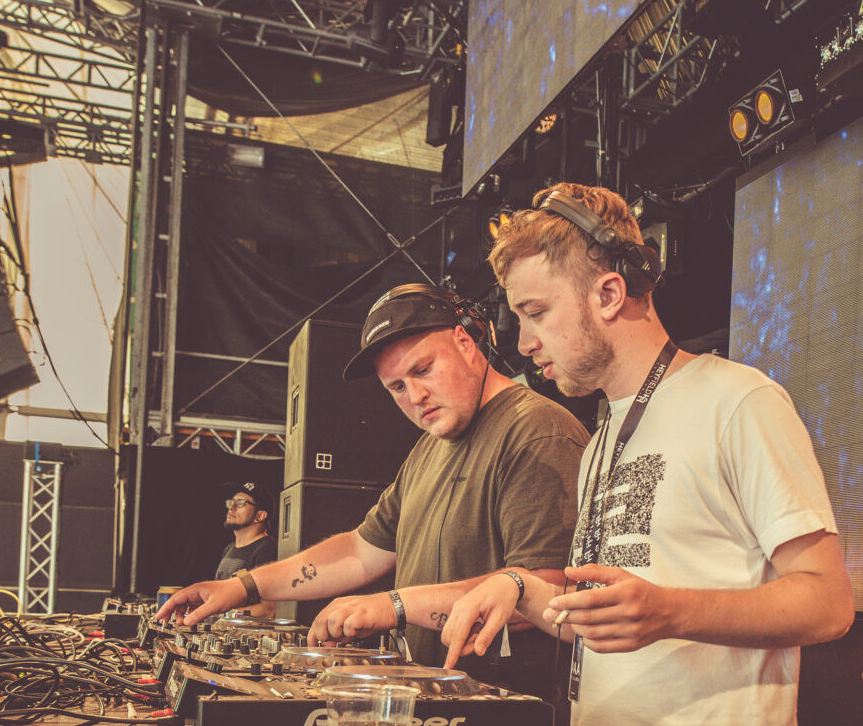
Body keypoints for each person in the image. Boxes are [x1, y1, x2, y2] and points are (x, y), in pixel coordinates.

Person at [440, 185, 854, 726]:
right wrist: (520, 590)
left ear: (608, 294)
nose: (523, 342)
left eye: (535, 312)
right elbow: (612, 615)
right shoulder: (603, 435)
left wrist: (669, 611)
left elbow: (828, 602)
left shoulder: (739, 401)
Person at [157, 282, 588, 696]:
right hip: (438, 710)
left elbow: (541, 595)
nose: (415, 395)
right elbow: (361, 550)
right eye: (396, 387)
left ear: (464, 342)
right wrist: (241, 587)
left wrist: (393, 606)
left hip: (509, 721)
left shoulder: (537, 431)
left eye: (423, 369)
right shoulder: (428, 449)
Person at [213, 479, 278, 620]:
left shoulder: (267, 549)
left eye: (241, 503)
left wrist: (221, 615)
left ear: (260, 515)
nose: (231, 507)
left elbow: (268, 610)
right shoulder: (229, 548)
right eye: (231, 502)